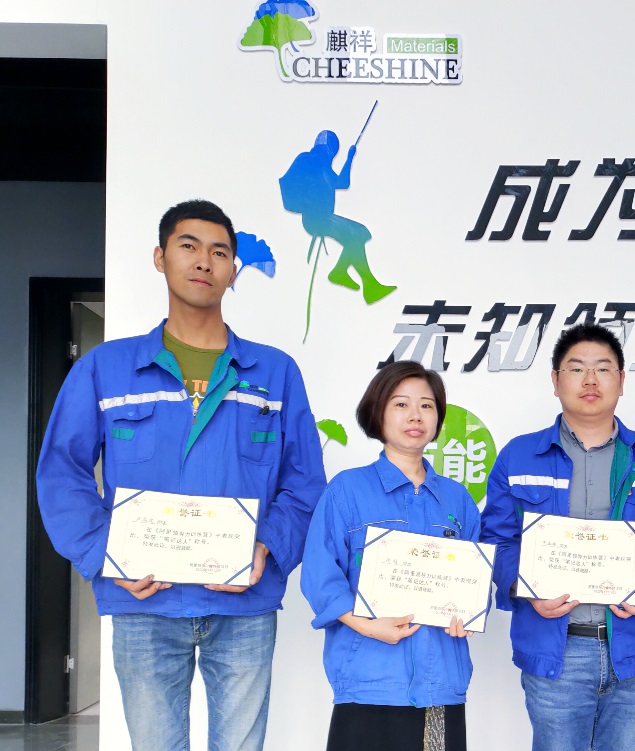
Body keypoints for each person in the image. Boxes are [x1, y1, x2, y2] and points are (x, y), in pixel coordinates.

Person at [35, 199, 327, 751]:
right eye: (188, 246)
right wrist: (106, 554)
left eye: (219, 252)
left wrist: (267, 546)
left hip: (242, 601)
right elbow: (61, 472)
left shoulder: (275, 373)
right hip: (145, 600)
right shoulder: (106, 368)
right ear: (160, 257)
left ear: (234, 270)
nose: (203, 261)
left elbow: (305, 481)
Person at [479, 323, 635, 751]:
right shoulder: (518, 455)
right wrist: (527, 588)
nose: (590, 380)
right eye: (576, 368)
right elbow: (497, 540)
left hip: (633, 648)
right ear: (555, 380)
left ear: (621, 380)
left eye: (603, 368)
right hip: (556, 650)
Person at [301, 361, 477, 750]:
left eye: (426, 405)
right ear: (378, 413)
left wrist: (467, 614)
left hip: (439, 683)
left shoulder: (457, 500)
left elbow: (476, 583)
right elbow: (319, 575)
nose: (415, 415)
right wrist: (366, 626)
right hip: (368, 678)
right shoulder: (347, 490)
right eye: (401, 404)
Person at [279, 129, 395, 304]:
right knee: (358, 233)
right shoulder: (309, 160)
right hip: (315, 218)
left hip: (322, 218)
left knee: (357, 235)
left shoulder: (322, 167)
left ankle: (366, 284)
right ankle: (346, 275)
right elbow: (292, 182)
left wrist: (349, 158)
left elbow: (342, 182)